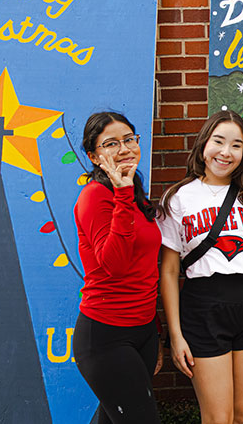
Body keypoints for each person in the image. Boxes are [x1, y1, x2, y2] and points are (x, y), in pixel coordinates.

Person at [158, 110, 243, 424]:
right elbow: (169, 271)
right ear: (204, 144)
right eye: (218, 141)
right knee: (218, 417)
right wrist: (175, 335)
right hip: (204, 308)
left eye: (236, 145)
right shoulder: (177, 198)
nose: (225, 152)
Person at [73, 112, 163, 424]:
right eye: (111, 143)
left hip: (143, 329)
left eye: (129, 139)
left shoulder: (135, 195)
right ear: (94, 157)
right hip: (106, 335)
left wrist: (155, 331)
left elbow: (145, 269)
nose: (124, 148)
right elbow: (115, 265)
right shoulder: (95, 196)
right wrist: (122, 196)